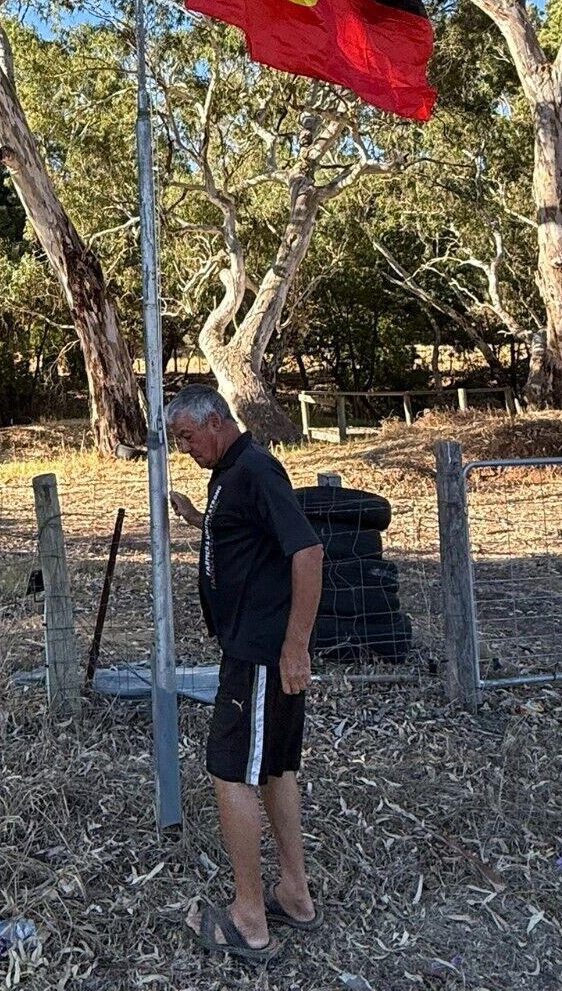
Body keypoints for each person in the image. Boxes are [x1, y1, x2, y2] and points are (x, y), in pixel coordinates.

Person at [166, 383, 324, 965]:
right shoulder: (230, 474)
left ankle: (249, 918)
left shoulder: (256, 470)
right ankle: (295, 895)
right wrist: (198, 519)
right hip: (257, 650)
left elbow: (307, 553)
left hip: (260, 654)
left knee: (229, 770)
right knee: (276, 767)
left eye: (187, 437)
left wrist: (295, 646)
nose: (185, 449)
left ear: (216, 422)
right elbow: (244, 537)